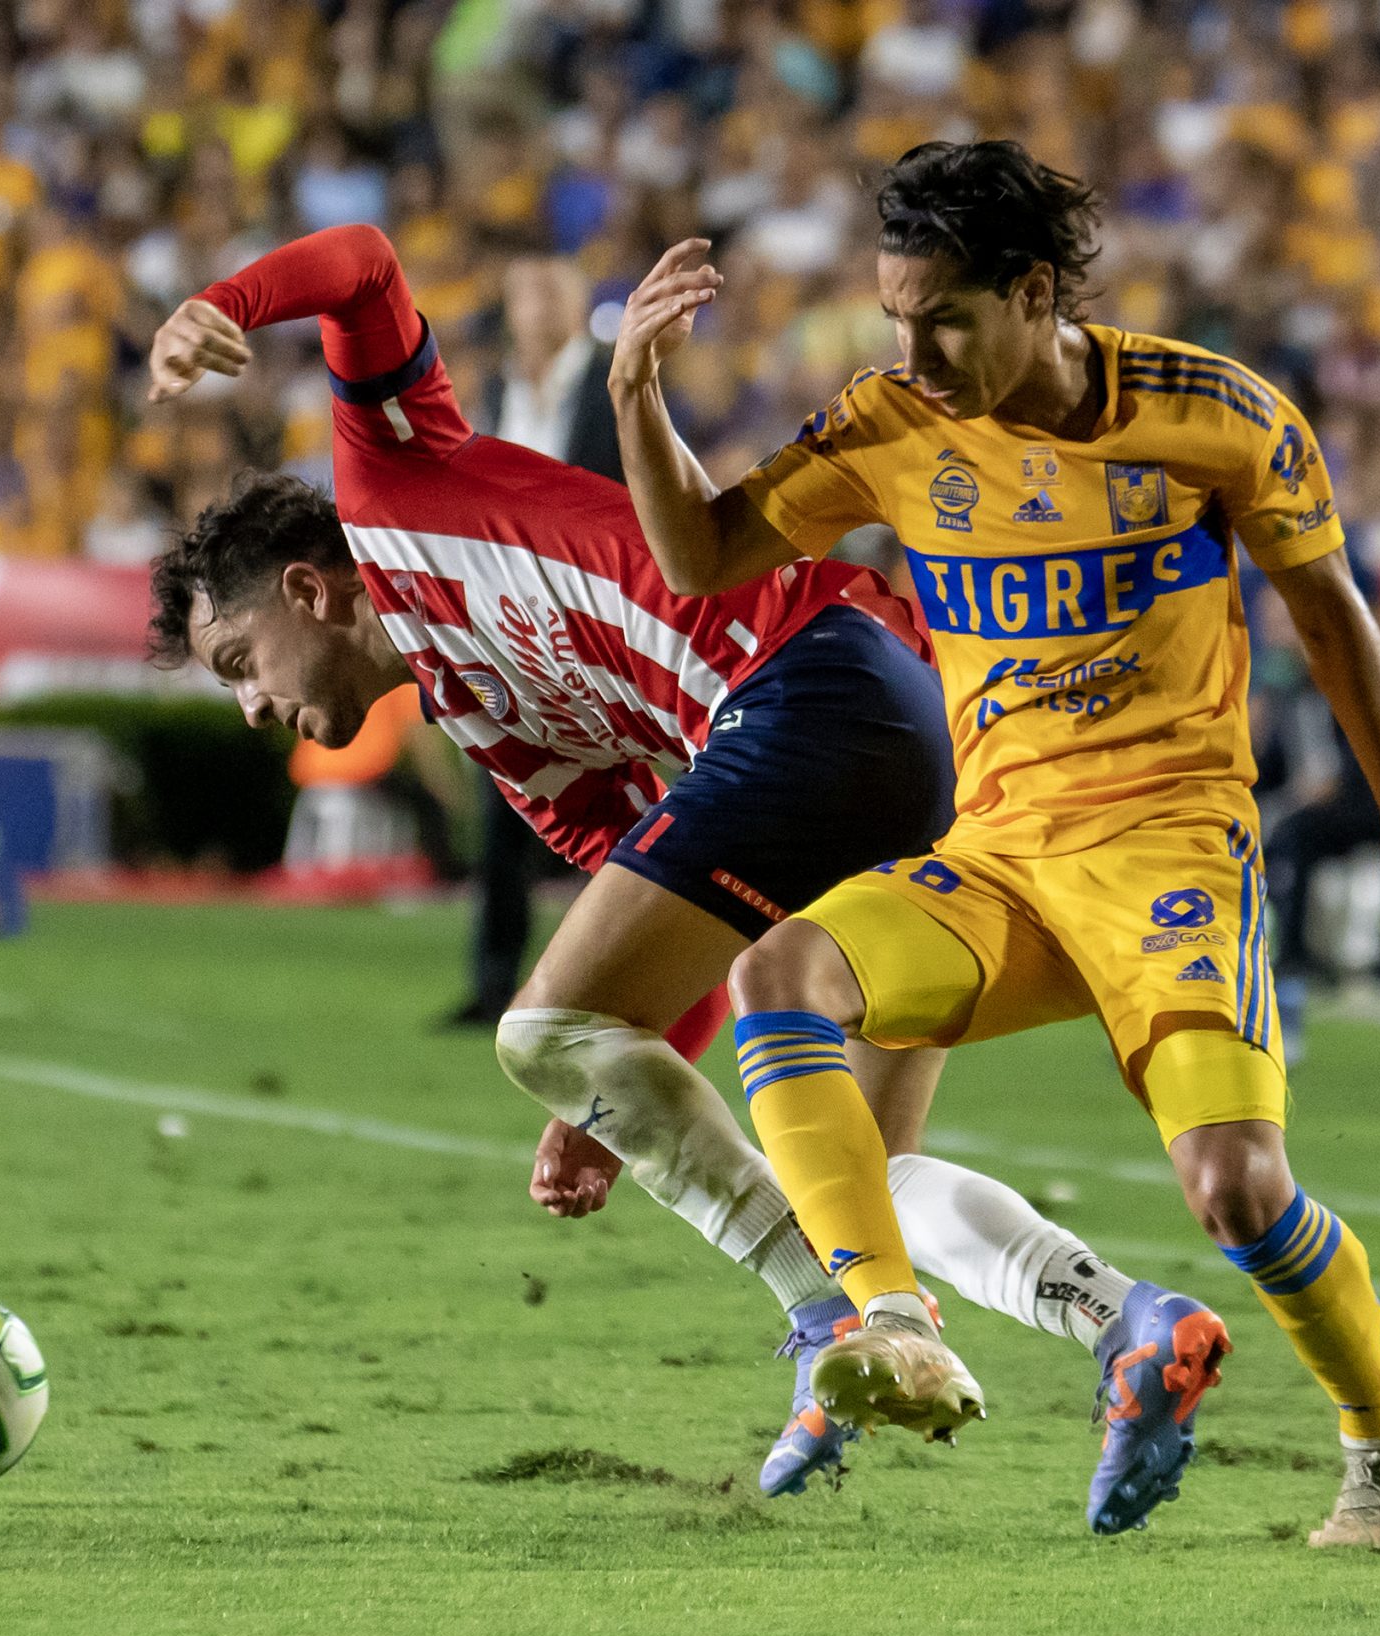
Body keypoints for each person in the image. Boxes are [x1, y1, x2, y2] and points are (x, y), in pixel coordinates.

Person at [143, 225, 1177, 1504]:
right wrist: (607, 1099)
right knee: (856, 1178)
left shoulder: (390, 478)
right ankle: (1127, 1322)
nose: (251, 709)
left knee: (539, 1030)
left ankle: (833, 1324)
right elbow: (680, 942)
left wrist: (221, 299)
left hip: (815, 679)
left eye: (237, 664)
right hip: (899, 726)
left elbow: (360, 263)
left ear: (307, 592)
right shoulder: (508, 739)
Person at [610, 139, 1380, 1547]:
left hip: (1172, 857)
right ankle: (887, 1318)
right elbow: (700, 557)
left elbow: (1330, 613)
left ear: (1032, 293)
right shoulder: (892, 424)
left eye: (944, 319)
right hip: (1000, 860)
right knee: (782, 976)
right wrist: (636, 398)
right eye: (896, 318)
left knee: (1237, 1189)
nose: (914, 353)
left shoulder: (1215, 414)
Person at [436, 247, 628, 1029]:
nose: (541, 306)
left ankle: (610, 983)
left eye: (553, 292)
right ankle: (493, 985)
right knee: (501, 812)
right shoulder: (493, 391)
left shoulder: (617, 381)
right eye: (528, 293)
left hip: (599, 625)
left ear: (579, 301)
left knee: (617, 811)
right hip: (511, 628)